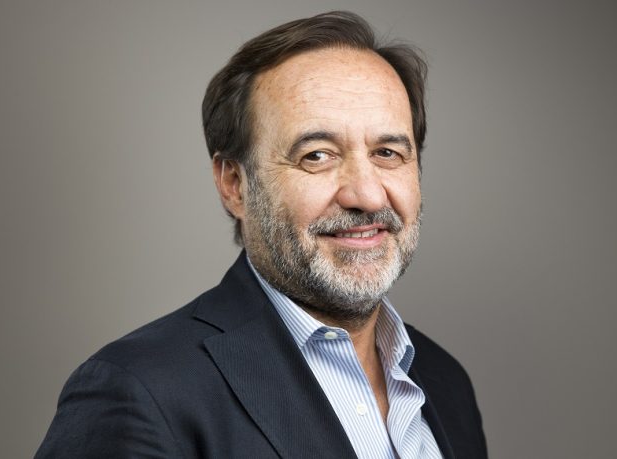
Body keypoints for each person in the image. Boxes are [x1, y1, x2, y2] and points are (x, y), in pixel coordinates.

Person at [35, 11, 487, 459]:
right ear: (235, 184)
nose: (367, 196)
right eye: (317, 155)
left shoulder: (445, 382)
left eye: (387, 153)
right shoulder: (140, 390)